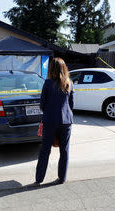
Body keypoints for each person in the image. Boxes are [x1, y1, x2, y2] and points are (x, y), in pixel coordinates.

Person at [35, 57, 74, 185]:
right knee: (65, 150)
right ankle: (62, 178)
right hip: (66, 121)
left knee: (45, 150)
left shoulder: (47, 83)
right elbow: (71, 104)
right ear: (64, 68)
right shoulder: (69, 83)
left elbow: (42, 105)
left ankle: (39, 179)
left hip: (50, 120)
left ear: (51, 68)